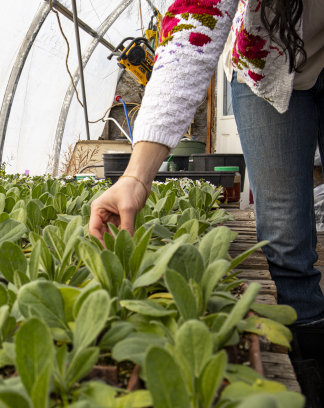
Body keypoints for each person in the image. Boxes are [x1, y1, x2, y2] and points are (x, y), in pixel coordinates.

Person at [89, 0, 323, 402]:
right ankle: (311, 376)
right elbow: (191, 31)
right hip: (264, 65)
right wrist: (135, 176)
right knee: (285, 237)